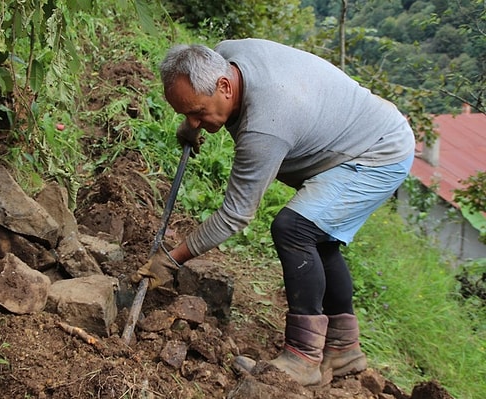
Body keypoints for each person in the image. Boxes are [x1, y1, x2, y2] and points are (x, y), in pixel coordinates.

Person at [132, 38, 415, 386]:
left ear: (223, 86)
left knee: (295, 229)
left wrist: (171, 259)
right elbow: (196, 98)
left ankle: (303, 358)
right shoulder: (225, 56)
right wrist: (190, 127)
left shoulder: (264, 126)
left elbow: (235, 215)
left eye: (198, 112)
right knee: (319, 238)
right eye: (186, 113)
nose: (195, 120)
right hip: (360, 131)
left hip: (377, 152)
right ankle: (342, 348)